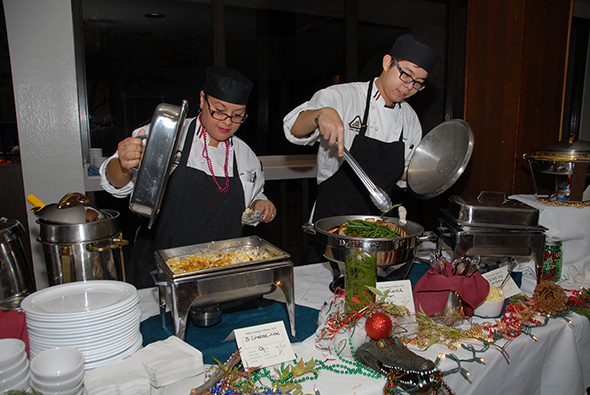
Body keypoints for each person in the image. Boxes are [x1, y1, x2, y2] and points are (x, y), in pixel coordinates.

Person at [100, 66, 277, 289]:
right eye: (219, 110)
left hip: (220, 275)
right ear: (202, 99)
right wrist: (123, 165)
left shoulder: (245, 154)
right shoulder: (166, 133)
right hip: (160, 272)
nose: (227, 122)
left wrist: (260, 204)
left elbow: (253, 196)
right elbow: (115, 184)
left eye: (238, 115)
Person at [283, 34, 439, 222]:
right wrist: (321, 114)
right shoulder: (343, 96)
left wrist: (433, 172)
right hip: (333, 222)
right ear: (387, 62)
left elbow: (402, 174)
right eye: (406, 75)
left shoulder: (410, 119)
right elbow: (294, 129)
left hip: (378, 225)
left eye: (418, 83)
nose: (409, 87)